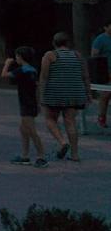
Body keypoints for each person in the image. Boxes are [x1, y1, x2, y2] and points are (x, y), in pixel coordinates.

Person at [39, 31, 91, 162]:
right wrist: (88, 93)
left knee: (50, 119)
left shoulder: (50, 55)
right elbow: (85, 76)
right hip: (74, 93)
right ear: (68, 43)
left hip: (54, 93)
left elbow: (44, 76)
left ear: (54, 43)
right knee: (70, 122)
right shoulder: (78, 55)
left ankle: (62, 142)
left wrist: (41, 94)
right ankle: (75, 154)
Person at [1, 46, 47, 167]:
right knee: (24, 130)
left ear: (20, 57)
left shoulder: (21, 70)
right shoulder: (32, 70)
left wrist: (7, 63)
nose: (15, 58)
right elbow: (36, 88)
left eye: (16, 56)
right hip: (30, 103)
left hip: (26, 104)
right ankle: (25, 155)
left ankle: (41, 156)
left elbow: (4, 75)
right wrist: (38, 103)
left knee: (31, 131)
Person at [92, 19, 111, 129]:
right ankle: (101, 117)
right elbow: (95, 56)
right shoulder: (100, 40)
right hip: (106, 72)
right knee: (105, 95)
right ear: (106, 27)